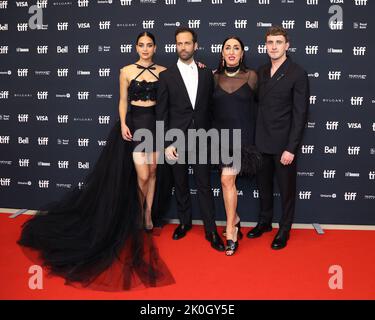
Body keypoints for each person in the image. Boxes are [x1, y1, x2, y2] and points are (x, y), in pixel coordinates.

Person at [17, 32, 175, 291]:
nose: (145, 49)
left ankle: (147, 216)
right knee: (142, 175)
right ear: (136, 47)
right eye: (141, 45)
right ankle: (135, 215)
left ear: (155, 47)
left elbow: (177, 88)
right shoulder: (125, 71)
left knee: (155, 171)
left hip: (156, 126)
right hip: (135, 125)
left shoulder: (165, 71)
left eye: (149, 45)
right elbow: (123, 101)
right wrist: (124, 123)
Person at [156, 27, 225, 252]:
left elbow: (211, 108)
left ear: (196, 45)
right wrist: (166, 143)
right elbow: (162, 113)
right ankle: (184, 223)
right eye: (179, 43)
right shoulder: (166, 76)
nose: (183, 47)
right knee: (181, 184)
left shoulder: (207, 73)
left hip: (203, 138)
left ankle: (211, 230)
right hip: (176, 139)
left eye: (187, 43)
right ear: (175, 46)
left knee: (205, 185)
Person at [247, 26, 309, 250]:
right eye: (270, 42)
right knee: (263, 187)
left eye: (278, 42)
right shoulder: (261, 71)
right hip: (261, 142)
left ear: (287, 45)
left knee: (286, 191)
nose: (273, 46)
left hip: (284, 145)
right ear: (265, 46)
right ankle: (264, 222)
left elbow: (300, 114)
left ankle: (284, 229)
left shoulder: (297, 73)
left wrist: (291, 148)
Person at [212, 36, 262, 256]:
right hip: (220, 139)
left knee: (226, 180)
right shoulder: (213, 77)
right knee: (226, 182)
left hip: (242, 140)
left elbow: (263, 106)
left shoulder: (251, 77)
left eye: (236, 48)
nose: (232, 51)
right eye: (227, 48)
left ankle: (231, 229)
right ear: (222, 53)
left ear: (242, 53)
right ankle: (236, 219)